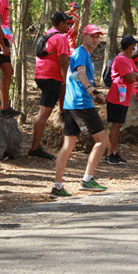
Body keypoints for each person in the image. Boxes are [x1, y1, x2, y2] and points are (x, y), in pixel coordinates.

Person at [50, 25, 110, 198]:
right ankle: (87, 179)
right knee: (102, 140)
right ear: (84, 36)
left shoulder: (82, 54)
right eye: (92, 36)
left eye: (98, 37)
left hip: (71, 104)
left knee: (68, 145)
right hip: (81, 104)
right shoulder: (81, 53)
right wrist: (92, 90)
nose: (96, 40)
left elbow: (77, 76)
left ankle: (57, 186)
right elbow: (81, 74)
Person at [30, 11, 73, 159]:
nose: (69, 26)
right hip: (51, 78)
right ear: (61, 24)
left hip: (41, 76)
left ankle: (63, 111)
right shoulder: (61, 38)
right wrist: (67, 79)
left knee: (58, 93)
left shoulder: (46, 35)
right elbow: (63, 62)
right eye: (67, 23)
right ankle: (35, 148)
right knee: (43, 114)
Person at [103, 35, 138, 165]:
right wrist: (133, 76)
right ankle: (109, 153)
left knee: (119, 125)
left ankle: (114, 151)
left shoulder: (129, 60)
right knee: (115, 125)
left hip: (124, 97)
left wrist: (134, 75)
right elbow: (131, 78)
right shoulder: (120, 60)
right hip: (116, 96)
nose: (135, 47)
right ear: (130, 46)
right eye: (134, 45)